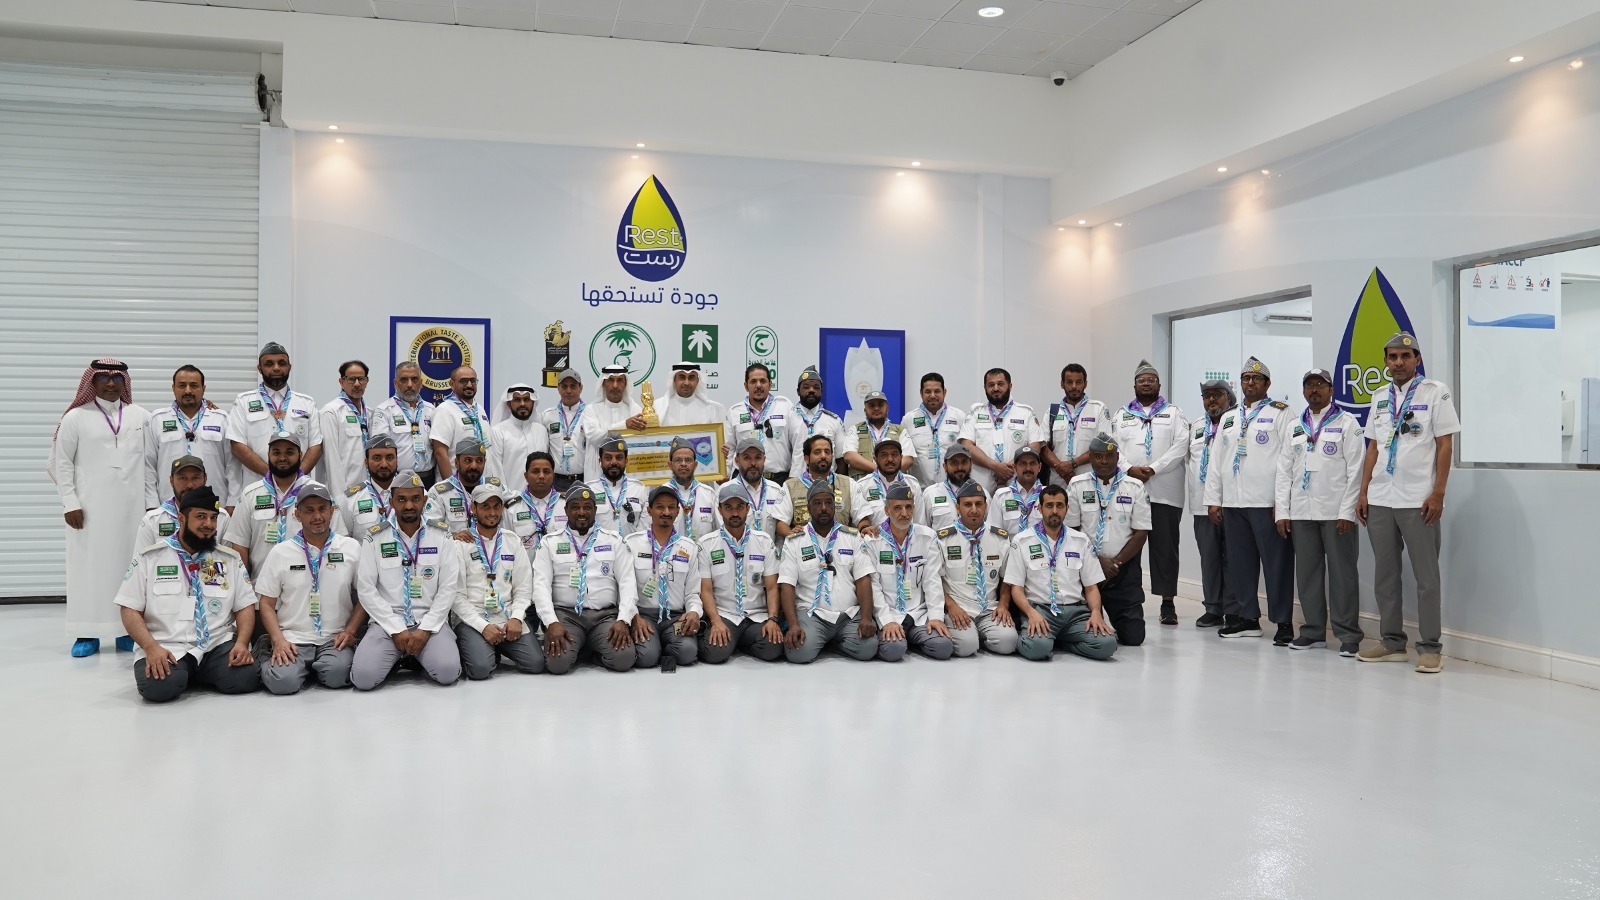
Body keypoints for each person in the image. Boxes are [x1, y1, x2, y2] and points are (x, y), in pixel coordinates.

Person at [1356, 332, 1460, 674]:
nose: (1398, 362)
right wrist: (1363, 492)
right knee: (1385, 575)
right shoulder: (1379, 396)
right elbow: (1373, 447)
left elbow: (1445, 445)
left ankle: (1430, 647)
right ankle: (1392, 642)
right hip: (1381, 497)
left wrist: (1438, 493)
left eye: (1405, 356)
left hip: (1418, 499)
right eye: (1392, 357)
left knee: (1426, 578)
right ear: (1385, 361)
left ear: (1417, 359)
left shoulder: (1435, 392)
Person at [116, 485, 260, 701]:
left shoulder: (229, 559)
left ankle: (194, 672)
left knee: (246, 678)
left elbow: (245, 605)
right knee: (159, 688)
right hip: (166, 645)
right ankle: (185, 672)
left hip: (215, 645)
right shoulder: (150, 558)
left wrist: (242, 643)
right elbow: (129, 609)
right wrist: (151, 648)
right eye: (201, 516)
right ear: (181, 519)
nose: (209, 524)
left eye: (213, 518)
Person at [52, 358, 154, 656]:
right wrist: (70, 502)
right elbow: (62, 463)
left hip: (133, 510)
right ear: (92, 382)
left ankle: (126, 630)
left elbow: (150, 464)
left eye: (117, 378)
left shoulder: (141, 416)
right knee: (88, 569)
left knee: (130, 569)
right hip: (89, 511)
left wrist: (151, 505)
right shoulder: (76, 417)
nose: (111, 383)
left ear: (125, 382)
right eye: (104, 378)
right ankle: (86, 632)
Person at [1205, 357, 1296, 643]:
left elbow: (1289, 460)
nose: (1250, 383)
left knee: (1277, 565)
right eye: (1246, 378)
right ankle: (1247, 619)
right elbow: (1216, 460)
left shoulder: (1281, 413)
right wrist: (1214, 499)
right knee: (1240, 564)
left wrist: (1282, 504)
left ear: (1267, 384)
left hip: (1266, 502)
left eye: (1256, 379)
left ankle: (1283, 623)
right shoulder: (1229, 417)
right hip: (1234, 502)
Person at [1276, 368, 1366, 656]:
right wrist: (1282, 511)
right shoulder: (1295, 426)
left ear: (1331, 390)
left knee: (1343, 575)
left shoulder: (1347, 422)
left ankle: (1348, 635)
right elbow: (1283, 472)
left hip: (1335, 512)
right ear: (1303, 391)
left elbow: (1356, 470)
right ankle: (1313, 631)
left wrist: (1347, 512)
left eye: (1320, 385)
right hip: (1302, 512)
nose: (1314, 389)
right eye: (1309, 385)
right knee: (1308, 575)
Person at [351, 471, 463, 689]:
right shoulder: (374, 537)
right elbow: (366, 589)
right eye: (401, 499)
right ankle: (397, 657)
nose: (409, 505)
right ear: (392, 502)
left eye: (415, 499)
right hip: (387, 623)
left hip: (429, 622)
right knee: (363, 679)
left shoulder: (442, 535)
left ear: (425, 501)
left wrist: (426, 628)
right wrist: (396, 629)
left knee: (447, 673)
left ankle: (415, 658)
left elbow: (448, 587)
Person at [255, 482, 364, 695]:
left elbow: (366, 596)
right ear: (297, 515)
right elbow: (266, 603)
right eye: (309, 510)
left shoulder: (351, 548)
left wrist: (350, 631)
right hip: (293, 638)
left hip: (334, 638)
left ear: (332, 511)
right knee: (283, 683)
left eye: (322, 509)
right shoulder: (280, 552)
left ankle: (316, 666)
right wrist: (278, 640)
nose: (317, 516)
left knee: (338, 675)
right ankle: (267, 651)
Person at [1113, 360, 1190, 628]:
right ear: (1134, 385)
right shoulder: (1122, 415)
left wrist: (1154, 468)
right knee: (1127, 547)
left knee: (1165, 550)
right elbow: (1113, 448)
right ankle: (1127, 598)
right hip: (1129, 491)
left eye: (1151, 380)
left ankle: (1167, 603)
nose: (1146, 383)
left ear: (1159, 384)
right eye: (1141, 380)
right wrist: (1129, 469)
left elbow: (1181, 445)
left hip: (1165, 492)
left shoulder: (1174, 413)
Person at [530, 485, 638, 675]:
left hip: (604, 616)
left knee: (624, 660)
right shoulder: (550, 542)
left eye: (587, 507)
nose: (581, 512)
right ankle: (581, 648)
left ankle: (589, 653)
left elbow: (628, 583)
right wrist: (551, 622)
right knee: (557, 665)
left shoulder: (614, 541)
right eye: (575, 507)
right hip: (566, 615)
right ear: (566, 510)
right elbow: (540, 586)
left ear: (595, 510)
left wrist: (623, 619)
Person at [1005, 485, 1117, 662]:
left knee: (1107, 645)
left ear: (1067, 508)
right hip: (1041, 610)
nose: (1055, 511)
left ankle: (1061, 643)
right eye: (1049, 506)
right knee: (1036, 649)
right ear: (1039, 508)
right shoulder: (1022, 541)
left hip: (1076, 613)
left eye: (1060, 505)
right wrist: (1030, 613)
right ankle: (1047, 642)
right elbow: (1016, 589)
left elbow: (1091, 587)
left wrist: (1096, 612)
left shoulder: (1080, 540)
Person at [778, 479, 879, 663]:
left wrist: (866, 617)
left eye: (828, 502)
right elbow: (787, 585)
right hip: (812, 614)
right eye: (817, 503)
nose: (823, 508)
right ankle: (822, 639)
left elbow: (863, 579)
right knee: (798, 653)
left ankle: (833, 643)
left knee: (868, 648)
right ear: (808, 508)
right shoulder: (795, 541)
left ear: (835, 506)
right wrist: (793, 624)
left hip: (848, 615)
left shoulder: (852, 537)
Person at [1066, 434, 1152, 646]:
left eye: (1109, 456)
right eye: (1098, 456)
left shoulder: (1135, 487)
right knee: (1086, 632)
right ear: (1090, 458)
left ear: (1117, 457)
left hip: (1122, 570)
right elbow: (1072, 531)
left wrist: (1115, 563)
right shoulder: (1077, 485)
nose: (1103, 461)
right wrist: (1097, 562)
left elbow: (1141, 533)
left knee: (1134, 638)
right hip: (1085, 569)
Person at [453, 484, 543, 679]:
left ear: (502, 508)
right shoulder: (460, 545)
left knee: (536, 663)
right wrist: (483, 627)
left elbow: (523, 588)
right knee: (480, 670)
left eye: (496, 506)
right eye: (485, 506)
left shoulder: (512, 540)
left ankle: (493, 647)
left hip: (506, 616)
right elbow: (457, 597)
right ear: (473, 508)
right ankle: (480, 647)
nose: (492, 513)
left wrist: (516, 618)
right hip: (473, 618)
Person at [697, 481, 784, 663]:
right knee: (715, 652)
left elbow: (772, 587)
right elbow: (706, 590)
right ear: (719, 510)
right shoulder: (707, 544)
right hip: (725, 615)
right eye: (728, 507)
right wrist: (716, 622)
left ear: (748, 509)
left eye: (739, 507)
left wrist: (772, 619)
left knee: (773, 647)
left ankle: (739, 642)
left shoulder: (764, 542)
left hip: (755, 616)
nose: (735, 513)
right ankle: (734, 640)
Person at [865, 483, 951, 661]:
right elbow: (873, 586)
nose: (904, 513)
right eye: (897, 508)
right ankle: (901, 638)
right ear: (887, 510)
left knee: (943, 647)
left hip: (918, 613)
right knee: (894, 650)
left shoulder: (927, 537)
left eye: (908, 507)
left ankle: (911, 636)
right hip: (890, 612)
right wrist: (886, 620)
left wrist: (936, 617)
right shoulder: (873, 540)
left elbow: (932, 580)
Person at [224, 432, 328, 579]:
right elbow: (240, 545)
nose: (282, 458)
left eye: (289, 452)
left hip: (306, 585)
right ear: (268, 455)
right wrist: (245, 586)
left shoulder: (318, 492)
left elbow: (334, 540)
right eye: (276, 452)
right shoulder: (250, 494)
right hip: (261, 584)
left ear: (300, 455)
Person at [625, 485, 706, 670]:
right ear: (649, 510)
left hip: (676, 617)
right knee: (646, 658)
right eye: (660, 507)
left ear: (678, 511)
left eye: (671, 507)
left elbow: (693, 593)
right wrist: (634, 616)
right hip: (644, 616)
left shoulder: (689, 547)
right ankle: (654, 648)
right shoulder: (632, 544)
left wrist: (694, 612)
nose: (666, 512)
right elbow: (625, 588)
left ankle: (661, 646)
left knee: (687, 652)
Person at [939, 481, 1017, 657]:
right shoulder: (943, 539)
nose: (974, 510)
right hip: (958, 608)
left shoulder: (1000, 538)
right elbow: (934, 580)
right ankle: (972, 636)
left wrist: (1004, 605)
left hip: (989, 609)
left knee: (1008, 642)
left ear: (986, 506)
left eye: (978, 504)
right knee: (966, 647)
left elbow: (1007, 578)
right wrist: (950, 606)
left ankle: (980, 633)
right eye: (968, 504)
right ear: (957, 507)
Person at [227, 341, 322, 482]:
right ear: (259, 368)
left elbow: (316, 446)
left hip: (299, 487)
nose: (276, 368)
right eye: (269, 364)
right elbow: (237, 446)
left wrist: (295, 477)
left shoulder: (307, 403)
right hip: (257, 485)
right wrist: (272, 476)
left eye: (282, 363)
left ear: (290, 367)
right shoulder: (243, 402)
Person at [1185, 379, 1237, 629]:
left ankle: (1234, 609)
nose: (1212, 400)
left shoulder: (1238, 422)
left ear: (1229, 397)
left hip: (1232, 503)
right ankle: (1213, 608)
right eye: (1207, 396)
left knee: (1233, 558)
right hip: (1202, 505)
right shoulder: (1196, 426)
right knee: (1209, 559)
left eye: (1217, 394)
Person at [147, 365, 231, 506]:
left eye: (194, 385)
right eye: (182, 385)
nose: (188, 391)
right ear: (173, 388)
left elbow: (232, 465)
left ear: (203, 388)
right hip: (169, 503)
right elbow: (149, 466)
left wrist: (232, 501)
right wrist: (152, 504)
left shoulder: (221, 419)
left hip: (213, 504)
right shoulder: (157, 419)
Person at [958, 367, 1045, 494]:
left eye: (1000, 384)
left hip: (1017, 482)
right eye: (991, 385)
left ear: (1010, 386)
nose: (995, 388)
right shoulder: (975, 413)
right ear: (985, 388)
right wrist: (996, 467)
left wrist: (1009, 468)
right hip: (981, 487)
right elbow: (967, 446)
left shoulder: (1026, 413)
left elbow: (1035, 446)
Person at [136, 456, 231, 548]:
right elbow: (142, 558)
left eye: (195, 478)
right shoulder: (152, 520)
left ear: (205, 479)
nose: (189, 485)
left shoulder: (221, 517)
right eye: (182, 478)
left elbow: (228, 557)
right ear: (171, 480)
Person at [724, 363, 796, 483]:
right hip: (744, 479)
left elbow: (797, 444)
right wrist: (725, 475)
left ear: (770, 384)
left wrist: (794, 475)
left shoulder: (785, 406)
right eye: (753, 381)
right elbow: (729, 448)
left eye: (763, 381)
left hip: (779, 479)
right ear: (746, 386)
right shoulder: (734, 412)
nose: (758, 385)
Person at [1043, 363, 1111, 486]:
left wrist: (1073, 464)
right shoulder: (1052, 411)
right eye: (1069, 382)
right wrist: (1062, 469)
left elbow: (1103, 445)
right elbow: (1043, 447)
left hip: (1089, 481)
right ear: (1062, 384)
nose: (1074, 386)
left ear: (1085, 384)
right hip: (1058, 482)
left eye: (1078, 382)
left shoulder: (1098, 409)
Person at [369, 361, 436, 485]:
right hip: (398, 480)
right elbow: (380, 450)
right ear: (395, 383)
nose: (409, 384)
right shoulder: (384, 411)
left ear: (421, 383)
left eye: (414, 379)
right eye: (404, 380)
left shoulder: (431, 410)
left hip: (429, 478)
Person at [788, 366, 858, 478]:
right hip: (796, 481)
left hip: (827, 482)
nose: (811, 390)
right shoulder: (788, 418)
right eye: (806, 387)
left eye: (816, 387)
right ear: (798, 391)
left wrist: (838, 485)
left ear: (821, 392)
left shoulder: (834, 420)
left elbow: (840, 460)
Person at [427, 438, 501, 539]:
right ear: (457, 463)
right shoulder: (439, 492)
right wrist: (453, 536)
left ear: (485, 462)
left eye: (479, 461)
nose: (474, 466)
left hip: (489, 546)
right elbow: (431, 525)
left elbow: (516, 501)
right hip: (454, 547)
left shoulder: (494, 488)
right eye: (468, 460)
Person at [317, 360, 372, 495]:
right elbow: (331, 459)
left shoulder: (370, 413)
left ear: (367, 382)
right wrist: (339, 498)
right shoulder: (331, 412)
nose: (357, 384)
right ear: (341, 382)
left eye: (361, 379)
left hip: (367, 491)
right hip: (344, 492)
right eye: (351, 379)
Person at [900, 372, 966, 485]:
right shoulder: (908, 419)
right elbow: (904, 456)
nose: (932, 395)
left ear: (944, 392)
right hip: (921, 488)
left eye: (937, 391)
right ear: (921, 393)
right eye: (928, 392)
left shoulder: (959, 417)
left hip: (954, 487)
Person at [579, 365, 644, 479]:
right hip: (597, 474)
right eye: (610, 380)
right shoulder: (591, 409)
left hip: (628, 475)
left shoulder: (635, 410)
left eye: (620, 380)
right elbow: (596, 438)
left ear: (625, 384)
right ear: (603, 384)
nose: (615, 386)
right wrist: (624, 425)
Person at [851, 439, 923, 536]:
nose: (890, 459)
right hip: (875, 542)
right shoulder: (862, 485)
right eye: (884, 455)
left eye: (894, 454)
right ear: (875, 459)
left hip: (908, 542)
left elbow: (920, 522)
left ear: (901, 457)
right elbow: (860, 522)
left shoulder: (912, 484)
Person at [430, 365, 490, 480]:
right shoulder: (445, 410)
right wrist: (452, 485)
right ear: (452, 384)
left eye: (473, 381)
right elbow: (440, 452)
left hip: (480, 481)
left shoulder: (479, 409)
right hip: (457, 482)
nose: (469, 385)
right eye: (463, 381)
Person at [783, 434, 855, 531]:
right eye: (817, 452)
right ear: (806, 459)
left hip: (841, 540)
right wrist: (791, 535)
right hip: (804, 540)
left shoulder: (849, 483)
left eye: (827, 452)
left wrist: (864, 527)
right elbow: (781, 522)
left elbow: (862, 517)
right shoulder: (790, 486)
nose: (823, 456)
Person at [729, 437, 792, 540]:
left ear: (764, 459)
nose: (753, 463)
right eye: (747, 458)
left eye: (758, 458)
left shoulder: (776, 491)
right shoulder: (726, 491)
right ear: (737, 461)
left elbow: (781, 532)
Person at [588, 433, 649, 539]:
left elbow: (644, 528)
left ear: (626, 461)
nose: (614, 462)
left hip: (631, 547)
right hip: (601, 547)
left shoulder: (639, 489)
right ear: (600, 461)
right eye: (608, 458)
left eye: (619, 457)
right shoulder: (590, 490)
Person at [338, 435, 398, 541]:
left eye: (389, 458)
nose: (384, 464)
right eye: (377, 458)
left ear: (397, 461)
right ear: (366, 462)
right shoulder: (351, 499)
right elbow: (343, 541)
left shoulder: (413, 494)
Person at [489, 382, 547, 488]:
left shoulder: (541, 431)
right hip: (510, 496)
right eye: (517, 400)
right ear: (509, 404)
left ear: (533, 403)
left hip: (539, 496)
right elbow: (496, 472)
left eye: (526, 399)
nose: (522, 404)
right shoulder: (498, 431)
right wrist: (507, 496)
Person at [508, 450, 566, 555]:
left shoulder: (566, 506)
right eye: (535, 471)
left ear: (553, 475)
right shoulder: (512, 509)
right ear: (526, 476)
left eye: (546, 472)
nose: (541, 476)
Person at [539, 369, 589, 491]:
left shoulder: (590, 415)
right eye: (564, 386)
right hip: (555, 482)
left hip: (583, 479)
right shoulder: (548, 415)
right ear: (558, 388)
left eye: (573, 386)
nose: (568, 391)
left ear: (581, 388)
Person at [662, 437, 719, 539]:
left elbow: (719, 532)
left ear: (695, 465)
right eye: (678, 460)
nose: (683, 464)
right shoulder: (661, 494)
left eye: (688, 460)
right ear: (670, 465)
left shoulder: (709, 494)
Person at [919, 444, 983, 531]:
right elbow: (924, 530)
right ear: (945, 466)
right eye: (954, 463)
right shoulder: (931, 494)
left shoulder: (982, 494)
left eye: (964, 462)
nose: (959, 468)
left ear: (971, 464)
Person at [843, 390, 904, 477]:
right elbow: (849, 456)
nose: (876, 408)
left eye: (880, 405)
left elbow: (908, 459)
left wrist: (887, 472)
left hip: (892, 482)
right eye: (872, 405)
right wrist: (880, 471)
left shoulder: (900, 430)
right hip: (861, 483)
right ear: (865, 410)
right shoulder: (855, 429)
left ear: (887, 408)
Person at [987, 446, 1045, 534]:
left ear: (1040, 467)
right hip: (1009, 543)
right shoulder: (1001, 496)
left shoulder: (1049, 495)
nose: (1028, 468)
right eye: (1023, 463)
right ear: (1014, 467)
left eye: (1032, 463)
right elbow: (994, 532)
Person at [659, 362, 727, 427]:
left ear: (697, 381)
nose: (686, 383)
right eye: (682, 377)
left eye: (691, 378)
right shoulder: (658, 407)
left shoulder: (710, 409)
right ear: (674, 379)